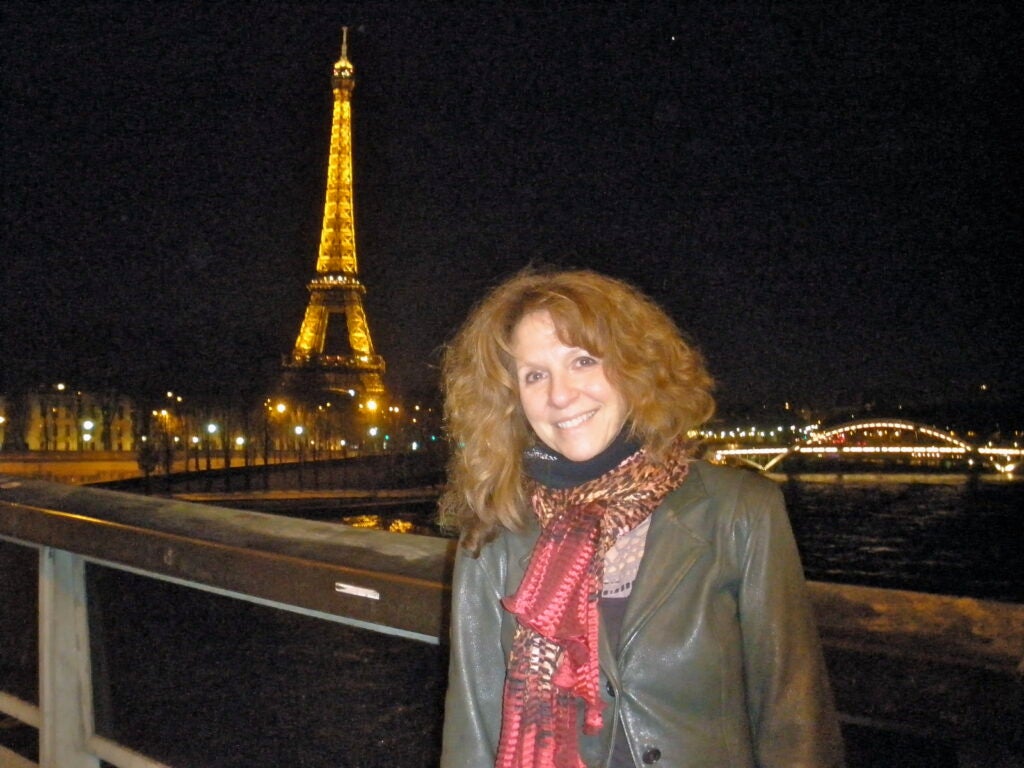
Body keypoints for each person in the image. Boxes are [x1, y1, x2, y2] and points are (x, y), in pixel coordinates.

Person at [439, 268, 844, 768]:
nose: (559, 395)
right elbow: (472, 727)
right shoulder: (496, 529)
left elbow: (793, 717)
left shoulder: (740, 511)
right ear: (511, 400)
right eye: (534, 374)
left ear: (635, 369)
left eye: (583, 361)